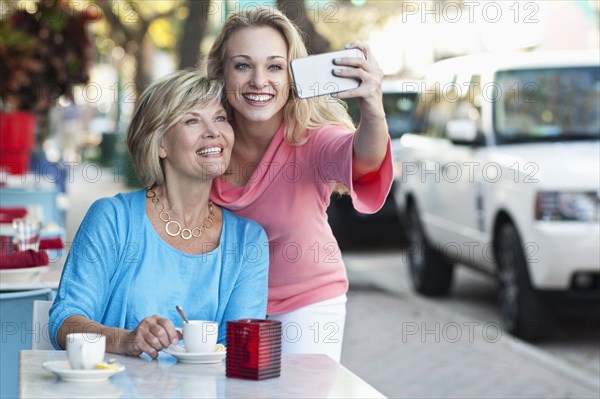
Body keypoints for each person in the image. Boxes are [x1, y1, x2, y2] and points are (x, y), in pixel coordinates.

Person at [207, 7, 392, 362]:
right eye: (243, 65)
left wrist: (372, 107)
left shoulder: (312, 140)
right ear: (222, 73)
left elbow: (365, 159)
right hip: (220, 303)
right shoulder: (208, 140)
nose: (259, 80)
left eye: (274, 66)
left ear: (293, 77)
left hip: (304, 304)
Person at [49, 70, 269, 358]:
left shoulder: (248, 240)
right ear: (160, 143)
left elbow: (241, 351)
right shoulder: (113, 220)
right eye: (192, 120)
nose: (214, 132)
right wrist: (126, 339)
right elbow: (64, 321)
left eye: (219, 118)